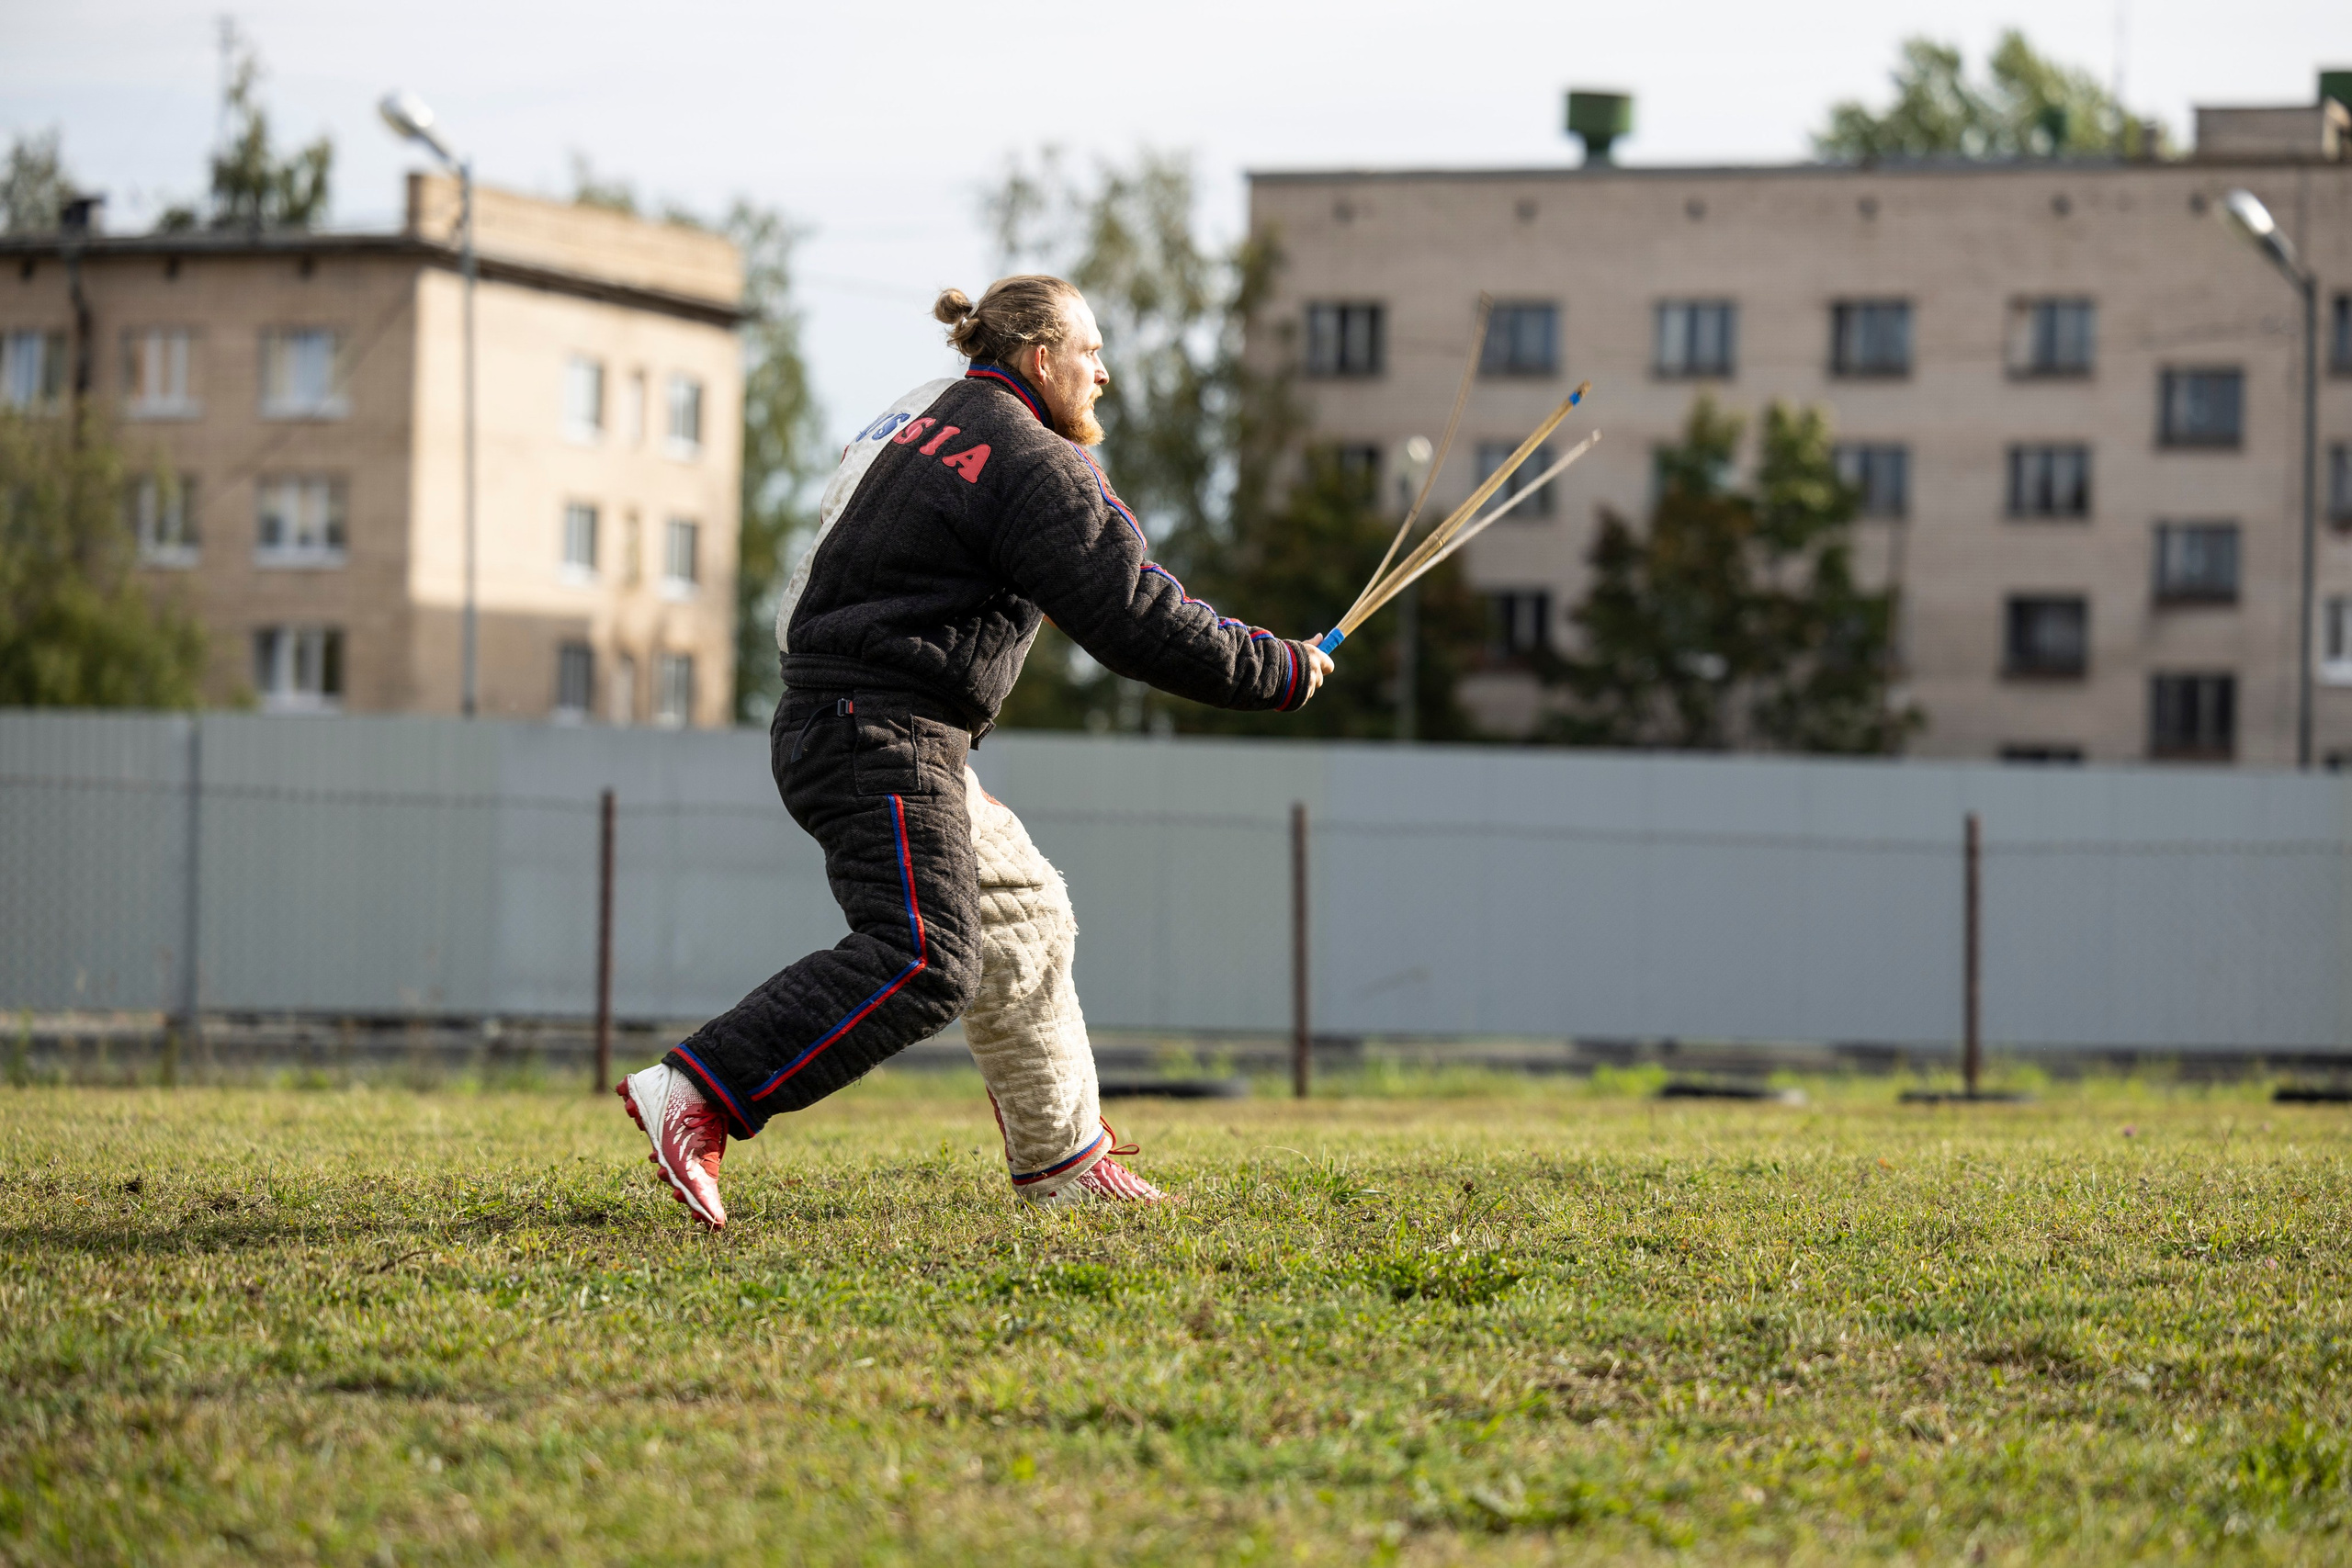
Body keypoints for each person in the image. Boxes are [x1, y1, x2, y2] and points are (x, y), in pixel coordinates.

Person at [619, 275, 1333, 1228]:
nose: (1103, 374)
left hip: (849, 715)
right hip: (881, 730)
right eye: (1091, 353)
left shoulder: (917, 415)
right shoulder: (1035, 463)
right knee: (924, 958)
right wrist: (1275, 670)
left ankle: (1064, 1159)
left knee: (1024, 914)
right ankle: (698, 1092)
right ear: (1040, 360)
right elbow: (1136, 616)